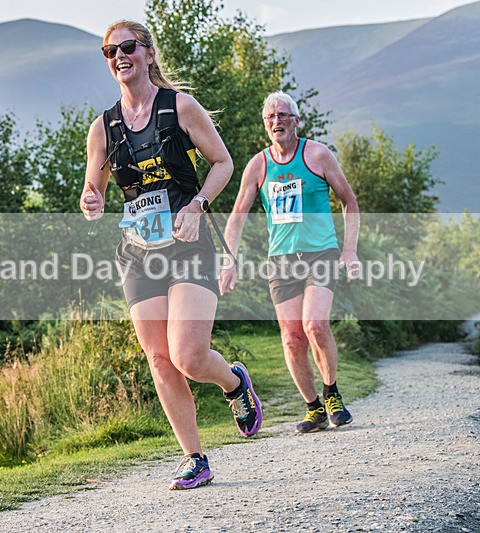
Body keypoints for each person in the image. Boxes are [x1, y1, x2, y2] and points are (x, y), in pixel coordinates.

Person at [80, 20, 262, 490]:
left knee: (189, 355)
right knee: (159, 359)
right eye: (109, 51)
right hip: (138, 252)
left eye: (127, 47)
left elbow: (223, 162)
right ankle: (195, 457)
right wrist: (91, 200)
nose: (119, 56)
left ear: (148, 52)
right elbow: (93, 188)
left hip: (187, 244)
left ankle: (234, 384)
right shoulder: (103, 127)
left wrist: (199, 204)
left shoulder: (180, 106)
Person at [219, 91, 360, 434]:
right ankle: (313, 408)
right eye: (270, 117)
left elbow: (350, 202)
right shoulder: (258, 166)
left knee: (314, 325)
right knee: (291, 337)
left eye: (283, 115)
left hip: (320, 254)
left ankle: (332, 392)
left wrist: (349, 250)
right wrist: (229, 259)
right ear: (265, 125)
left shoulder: (317, 155)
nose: (277, 121)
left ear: (296, 121)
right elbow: (237, 217)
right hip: (281, 262)